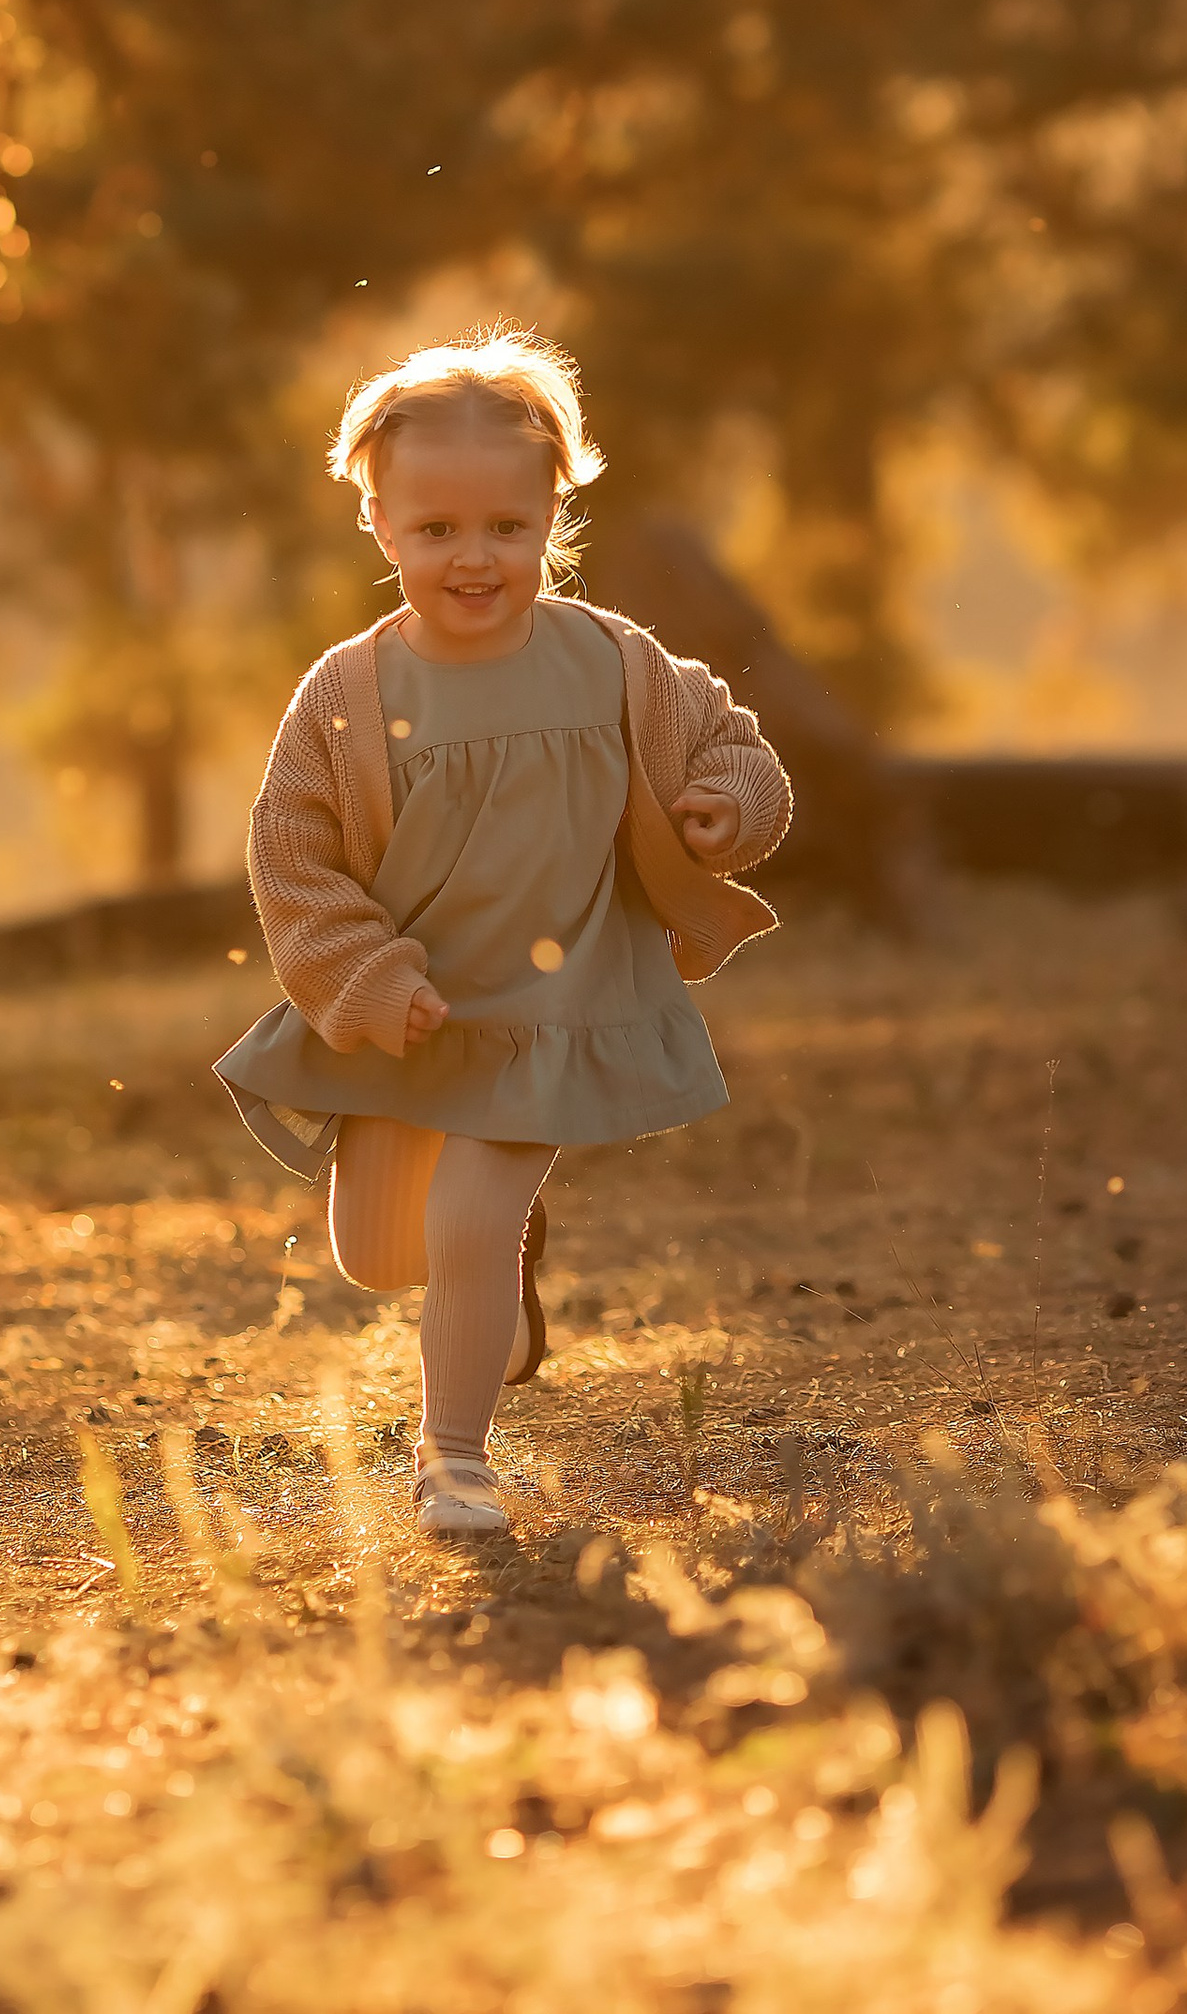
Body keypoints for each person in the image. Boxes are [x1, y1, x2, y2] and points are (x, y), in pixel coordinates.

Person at [216, 329, 792, 1537]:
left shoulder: (611, 664)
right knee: (380, 1252)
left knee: (468, 1216)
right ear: (380, 525)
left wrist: (724, 806)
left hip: (555, 1010)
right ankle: (505, 1281)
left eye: (506, 529)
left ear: (552, 513)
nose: (474, 559)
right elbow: (293, 861)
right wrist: (365, 978)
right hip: (417, 1014)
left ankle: (454, 1460)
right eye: (436, 532)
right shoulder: (348, 697)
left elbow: (739, 748)